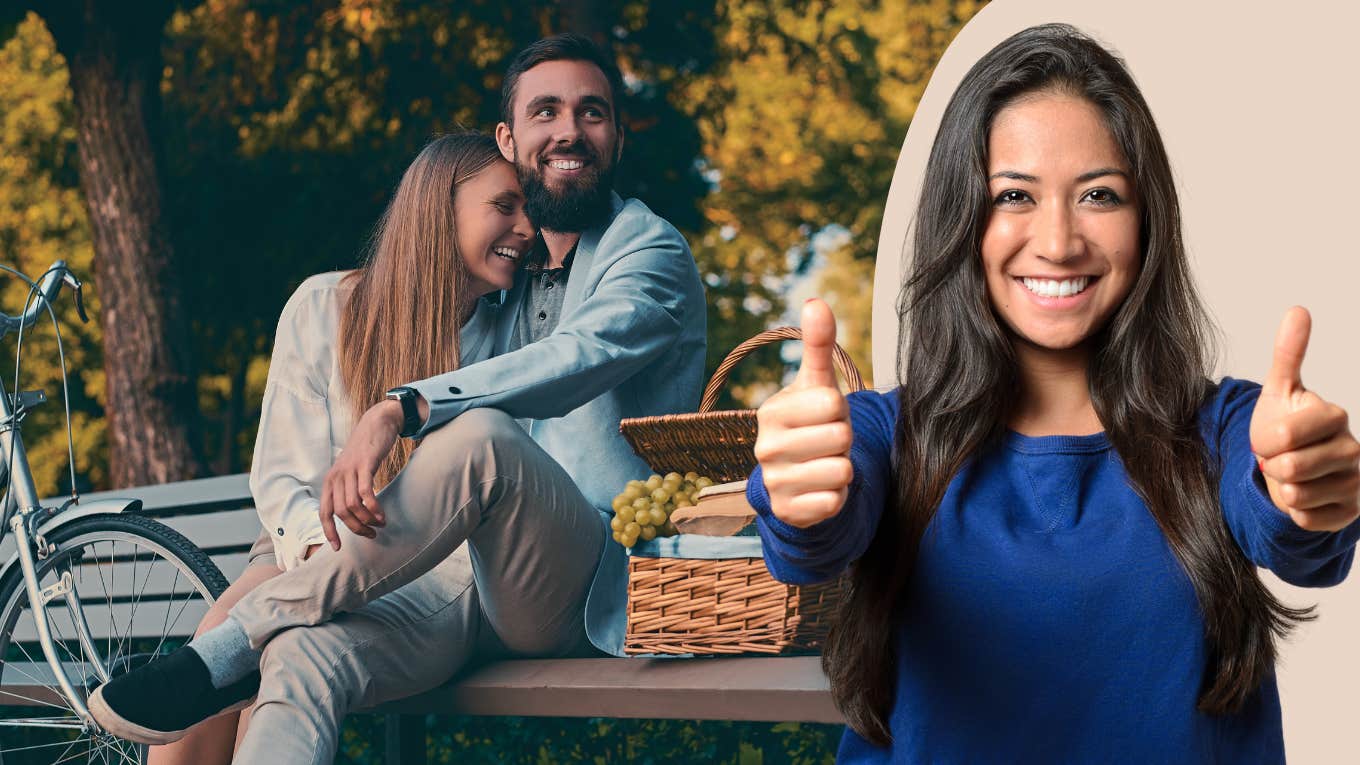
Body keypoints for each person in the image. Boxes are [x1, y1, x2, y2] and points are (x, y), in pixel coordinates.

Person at [749, 24, 1360, 764]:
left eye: (1099, 194)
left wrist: (1307, 491)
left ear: (1147, 218)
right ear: (961, 219)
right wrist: (800, 498)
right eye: (1014, 195)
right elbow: (815, 536)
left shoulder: (1229, 427)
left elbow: (1293, 530)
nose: (1060, 240)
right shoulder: (883, 435)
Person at [91, 33, 707, 764]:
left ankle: (227, 645)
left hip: (576, 582)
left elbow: (575, 359)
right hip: (436, 580)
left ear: (617, 134)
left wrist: (402, 406)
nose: (569, 129)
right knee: (302, 657)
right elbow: (290, 477)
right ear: (510, 139)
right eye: (547, 111)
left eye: (592, 111)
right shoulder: (490, 291)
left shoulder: (648, 252)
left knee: (478, 437)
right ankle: (245, 642)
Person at [147, 130, 531, 765]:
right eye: (505, 206)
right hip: (301, 549)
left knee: (272, 645)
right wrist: (334, 569)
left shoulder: (512, 340)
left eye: (529, 211)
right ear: (441, 205)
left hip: (434, 577)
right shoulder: (325, 305)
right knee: (211, 678)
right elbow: (283, 482)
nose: (526, 228)